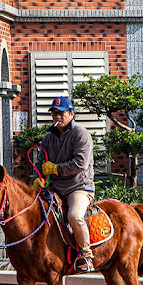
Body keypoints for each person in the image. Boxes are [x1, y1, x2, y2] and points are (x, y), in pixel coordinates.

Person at [38, 96, 95, 273]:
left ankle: (86, 257)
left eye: (61, 113)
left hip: (79, 188)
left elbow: (80, 164)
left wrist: (55, 169)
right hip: (54, 188)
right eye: (54, 114)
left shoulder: (81, 134)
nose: (57, 117)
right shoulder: (48, 138)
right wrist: (37, 178)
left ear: (71, 113)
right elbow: (40, 162)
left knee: (75, 216)